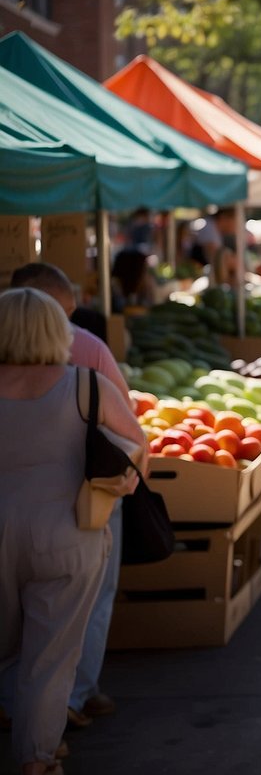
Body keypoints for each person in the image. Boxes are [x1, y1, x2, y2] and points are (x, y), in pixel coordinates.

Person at [0, 287, 143, 775]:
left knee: (7, 648)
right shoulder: (86, 385)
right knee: (52, 654)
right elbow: (135, 447)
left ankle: (19, 721)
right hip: (67, 532)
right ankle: (36, 758)